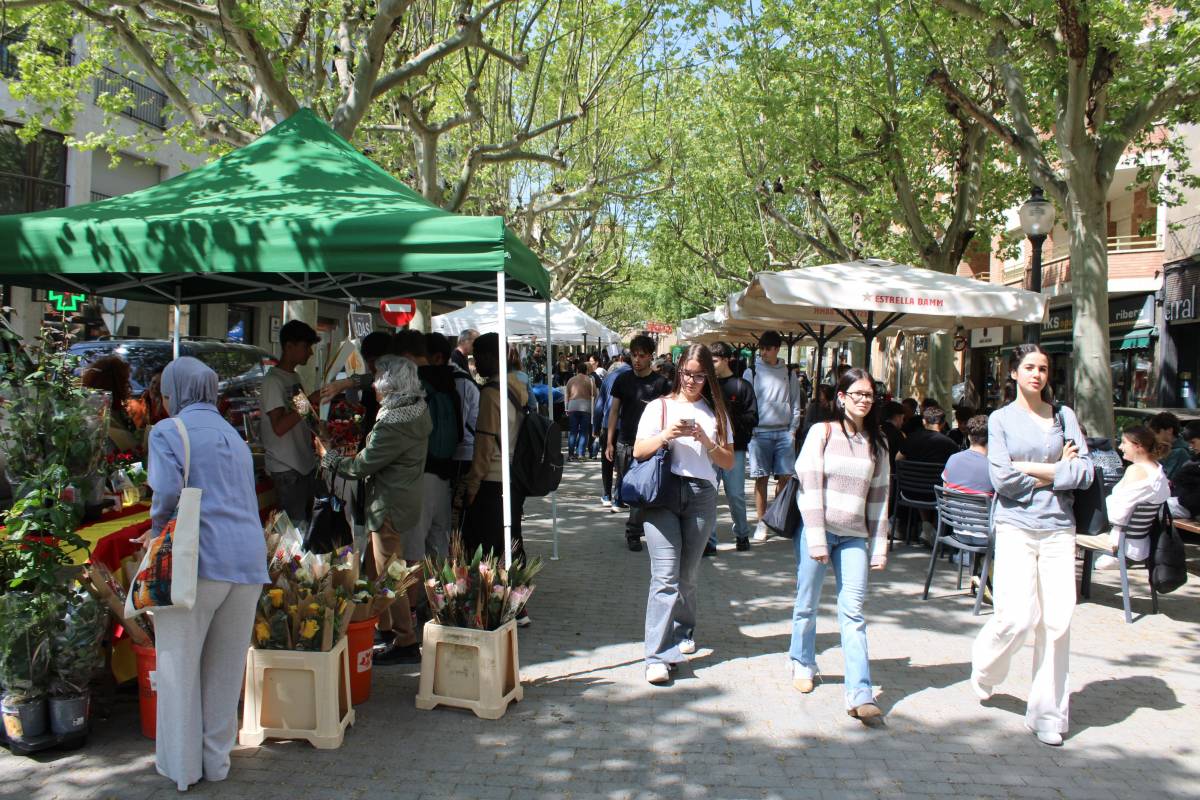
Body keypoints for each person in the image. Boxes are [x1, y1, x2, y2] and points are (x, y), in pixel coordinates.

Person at [147, 357, 267, 791]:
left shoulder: (168, 431)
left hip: (196, 560)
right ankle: (216, 762)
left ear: (175, 393)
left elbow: (165, 493)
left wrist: (157, 534)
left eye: (165, 394)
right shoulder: (234, 435)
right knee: (225, 670)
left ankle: (183, 769)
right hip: (247, 561)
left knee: (179, 667)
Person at [971, 343, 1093, 748]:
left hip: (1059, 527)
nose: (1037, 374)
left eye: (1042, 368)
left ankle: (1048, 714)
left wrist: (1035, 469)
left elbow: (1085, 472)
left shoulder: (1064, 417)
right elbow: (1002, 480)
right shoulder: (1001, 419)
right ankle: (985, 667)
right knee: (1016, 618)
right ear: (1013, 372)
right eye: (1029, 367)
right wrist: (1058, 469)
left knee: (1057, 622)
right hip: (1016, 526)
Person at [790, 368, 890, 721]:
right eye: (857, 394)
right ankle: (802, 661)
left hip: (854, 536)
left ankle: (860, 692)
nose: (864, 400)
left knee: (854, 613)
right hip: (817, 531)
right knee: (807, 602)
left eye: (869, 395)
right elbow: (809, 486)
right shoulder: (822, 432)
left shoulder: (877, 442)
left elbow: (879, 497)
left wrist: (879, 545)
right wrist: (817, 536)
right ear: (842, 397)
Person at [317, 355, 431, 664]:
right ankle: (383, 625)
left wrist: (328, 457)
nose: (374, 387)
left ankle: (406, 640)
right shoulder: (417, 407)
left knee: (389, 573)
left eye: (378, 381)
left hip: (388, 504)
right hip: (402, 498)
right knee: (376, 567)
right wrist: (346, 382)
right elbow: (375, 378)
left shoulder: (393, 424)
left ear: (389, 387)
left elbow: (360, 466)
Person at [633, 344, 733, 684]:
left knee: (687, 575)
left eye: (700, 376)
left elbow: (728, 461)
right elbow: (639, 450)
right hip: (662, 494)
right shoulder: (658, 407)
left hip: (701, 495)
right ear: (679, 372)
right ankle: (657, 656)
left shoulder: (715, 412)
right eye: (687, 374)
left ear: (709, 377)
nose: (692, 381)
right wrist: (666, 435)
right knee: (665, 576)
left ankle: (683, 629)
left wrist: (706, 440)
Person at [460, 333, 531, 623]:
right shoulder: (518, 386)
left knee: (488, 545)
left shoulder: (492, 392)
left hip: (492, 478)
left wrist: (472, 483)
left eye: (477, 357)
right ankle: (518, 602)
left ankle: (496, 604)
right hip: (514, 475)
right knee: (511, 540)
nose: (475, 364)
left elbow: (485, 443)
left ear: (492, 357)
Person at [393, 330, 461, 561]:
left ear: (406, 356)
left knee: (411, 553)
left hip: (417, 475)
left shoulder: (411, 386)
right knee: (439, 549)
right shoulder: (450, 382)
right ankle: (440, 586)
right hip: (444, 475)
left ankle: (414, 588)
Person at [608, 336, 672, 551]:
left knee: (644, 488)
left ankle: (635, 531)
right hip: (625, 442)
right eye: (634, 355)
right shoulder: (622, 379)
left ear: (650, 357)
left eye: (641, 355)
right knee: (631, 488)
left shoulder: (661, 384)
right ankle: (637, 528)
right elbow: (614, 411)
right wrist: (609, 441)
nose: (637, 359)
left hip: (650, 444)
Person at [260, 319, 322, 530]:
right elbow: (279, 427)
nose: (310, 353)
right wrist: (310, 400)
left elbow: (303, 414)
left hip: (304, 465)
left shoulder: (293, 377)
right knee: (295, 532)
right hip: (287, 468)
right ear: (289, 346)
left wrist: (320, 426)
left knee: (307, 527)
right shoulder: (273, 381)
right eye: (306, 346)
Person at [743, 331, 802, 542]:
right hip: (759, 433)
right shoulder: (752, 371)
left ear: (777, 349)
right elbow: (746, 403)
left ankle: (776, 517)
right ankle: (762, 522)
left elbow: (796, 402)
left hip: (784, 431)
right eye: (762, 348)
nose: (764, 352)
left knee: (785, 477)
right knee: (761, 478)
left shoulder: (788, 373)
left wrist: (793, 429)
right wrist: (750, 429)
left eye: (768, 348)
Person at [1090, 426, 1171, 569]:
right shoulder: (1158, 470)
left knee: (1070, 536)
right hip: (1143, 543)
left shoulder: (1136, 470)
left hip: (1119, 544)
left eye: (1124, 442)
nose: (1120, 447)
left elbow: (1117, 515)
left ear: (1137, 445)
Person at [709, 341, 758, 553]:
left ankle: (742, 534)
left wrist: (730, 421)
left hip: (734, 449)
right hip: (710, 448)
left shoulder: (742, 386)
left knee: (736, 494)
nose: (711, 365)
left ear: (726, 360)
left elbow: (753, 417)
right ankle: (709, 540)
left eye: (714, 360)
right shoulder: (706, 385)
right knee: (709, 495)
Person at [81, 354, 143, 456]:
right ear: (116, 384)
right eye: (125, 381)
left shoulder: (87, 408)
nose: (128, 386)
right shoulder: (104, 414)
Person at [597, 353, 631, 506]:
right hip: (626, 426)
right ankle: (619, 497)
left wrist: (595, 426)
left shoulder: (609, 377)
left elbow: (599, 405)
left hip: (607, 425)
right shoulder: (635, 377)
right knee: (623, 463)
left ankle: (606, 495)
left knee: (607, 461)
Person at [941, 415, 993, 496]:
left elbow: (945, 493)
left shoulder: (953, 459)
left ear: (969, 437)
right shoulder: (993, 466)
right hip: (983, 504)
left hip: (951, 504)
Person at [565, 360, 596, 461]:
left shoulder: (571, 380)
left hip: (573, 406)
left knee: (573, 431)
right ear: (586, 371)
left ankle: (570, 455)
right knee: (584, 432)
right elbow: (595, 394)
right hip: (586, 408)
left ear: (577, 370)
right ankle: (581, 454)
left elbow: (567, 395)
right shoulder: (590, 380)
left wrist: (566, 407)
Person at [1169, 420, 1200, 519]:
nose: (1191, 447)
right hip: (1184, 502)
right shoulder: (1194, 460)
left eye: (1193, 442)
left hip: (1189, 506)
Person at [1149, 412, 1191, 481]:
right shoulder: (1161, 448)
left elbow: (1162, 478)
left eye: (1156, 433)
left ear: (1169, 430)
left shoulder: (1179, 452)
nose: (1154, 437)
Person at [879, 400, 906, 471]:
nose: (903, 422)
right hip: (892, 471)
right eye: (902, 418)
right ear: (897, 417)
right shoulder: (898, 434)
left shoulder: (877, 430)